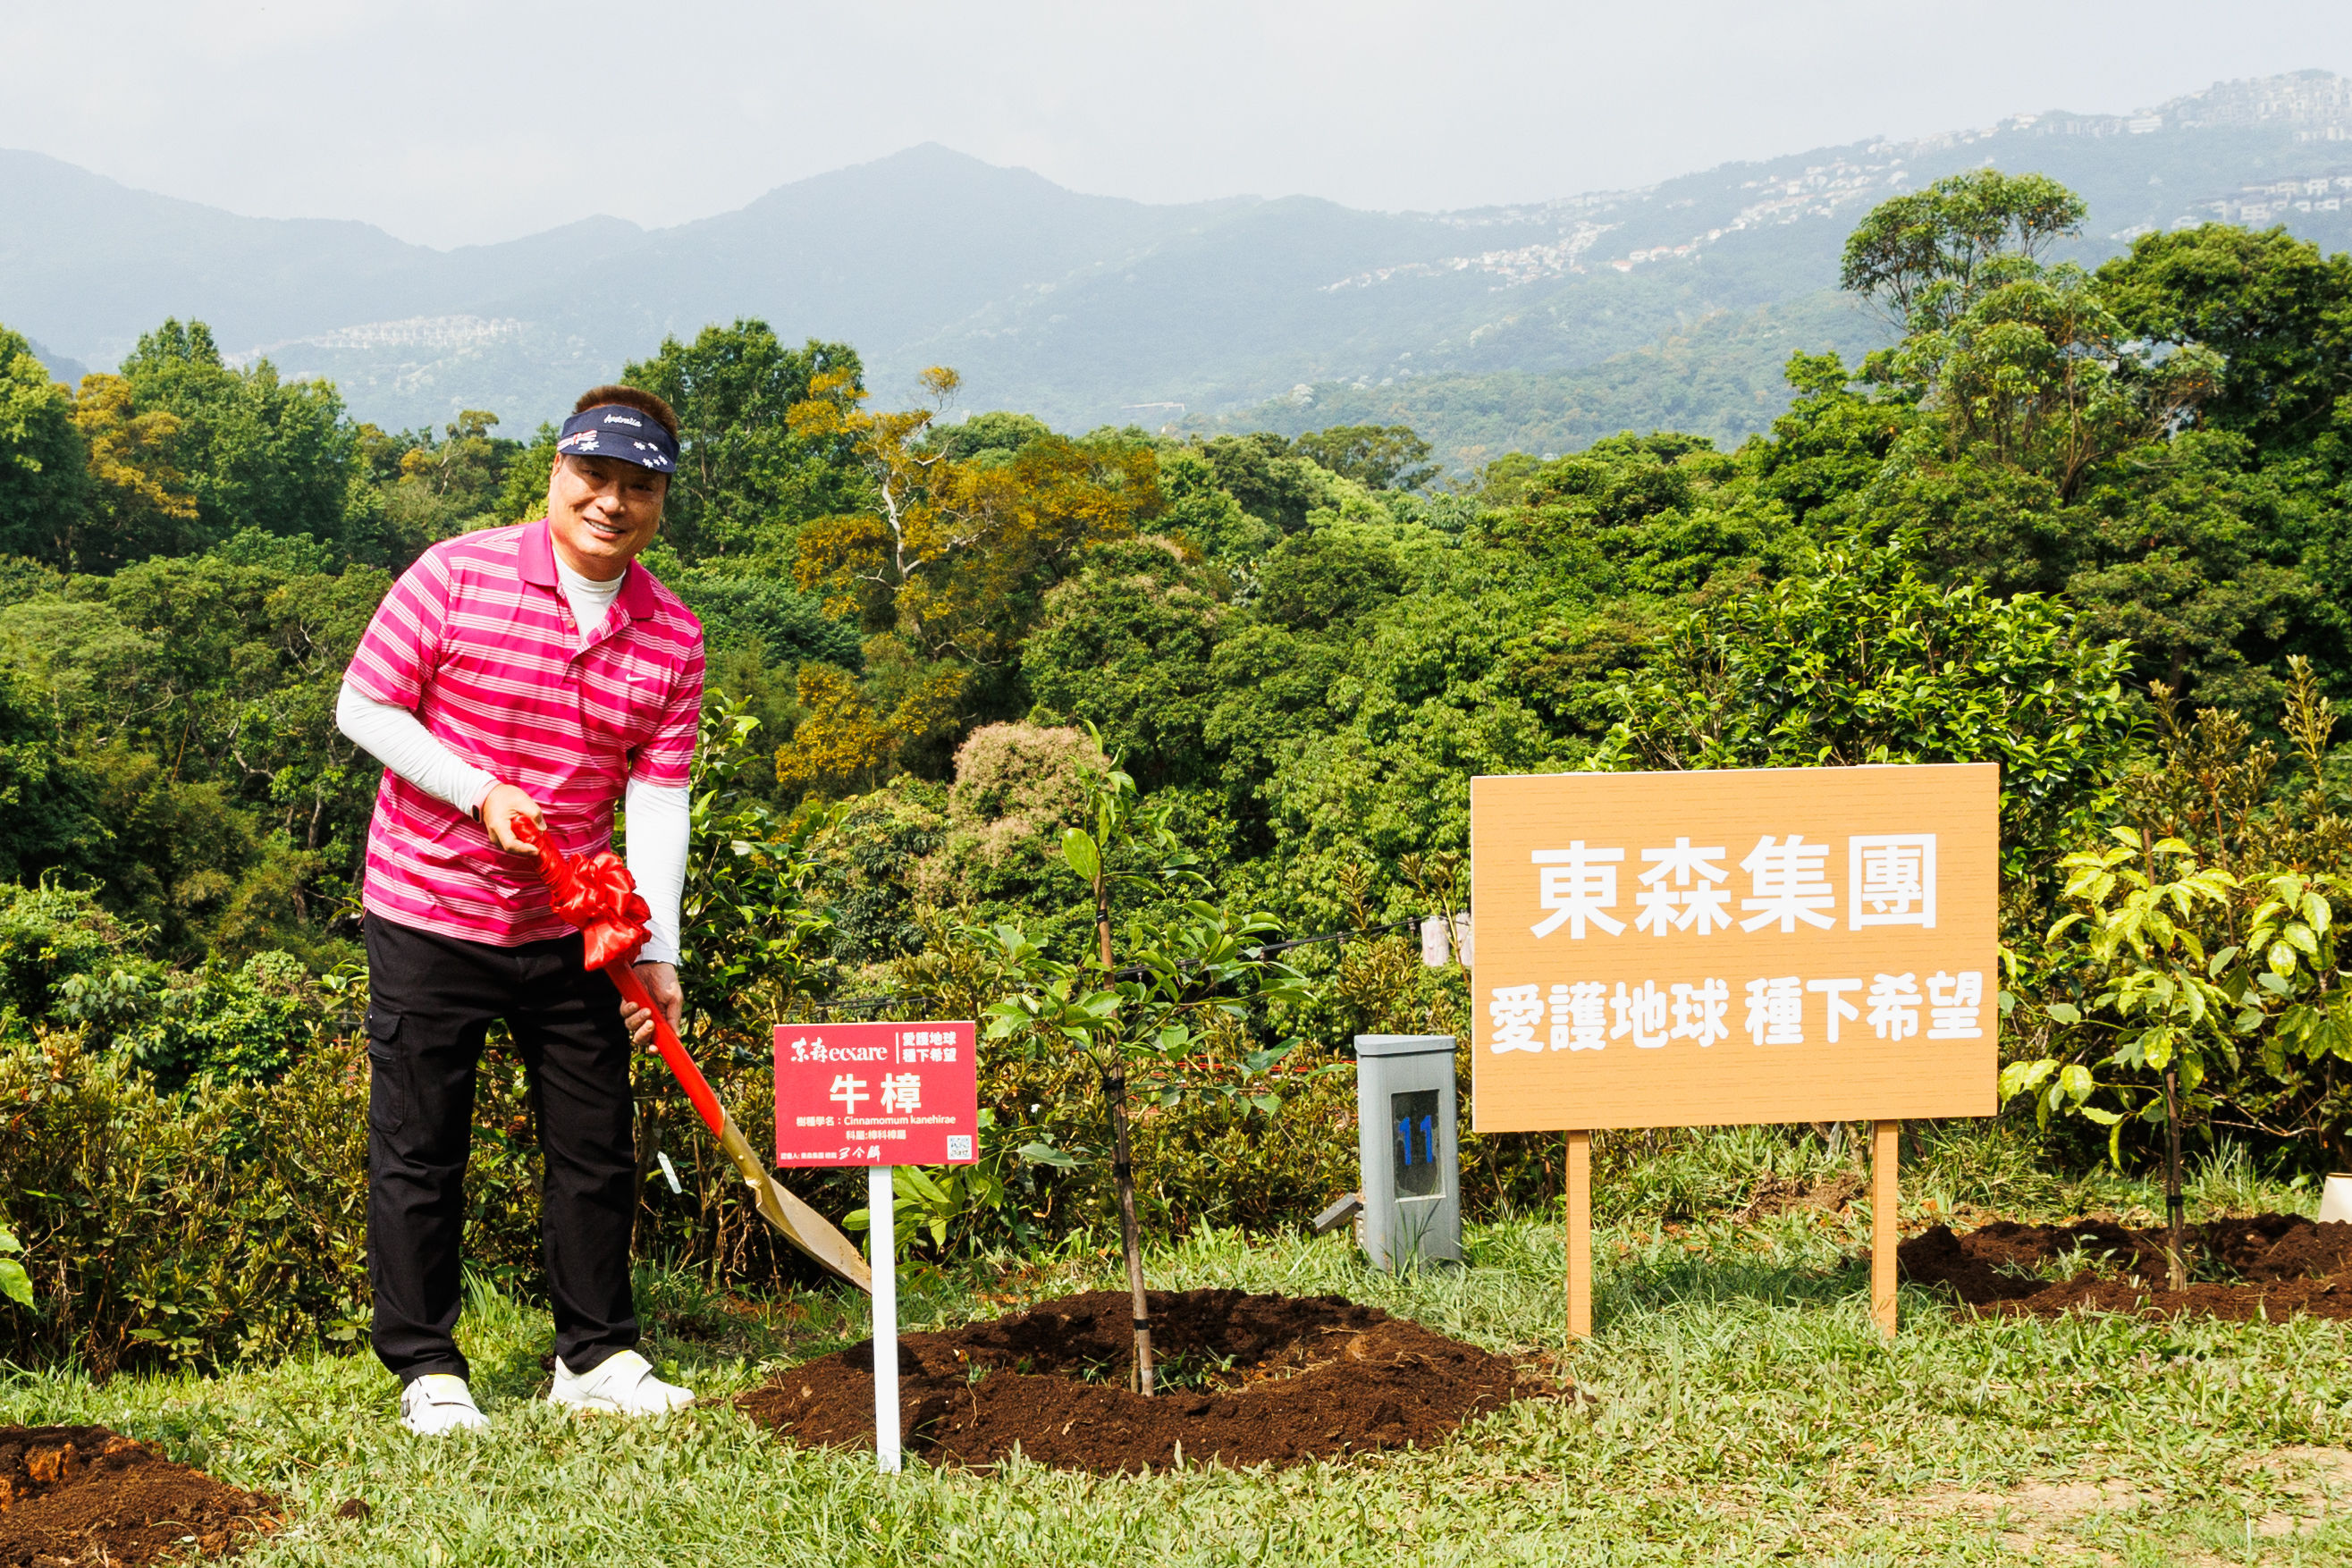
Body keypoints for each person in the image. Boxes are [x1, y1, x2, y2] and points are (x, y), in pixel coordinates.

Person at [337, 386, 705, 1435]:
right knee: (420, 1144)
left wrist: (660, 948)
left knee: (598, 1143)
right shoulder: (453, 573)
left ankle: (595, 1354)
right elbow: (363, 703)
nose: (611, 503)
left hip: (574, 926)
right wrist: (476, 788)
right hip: (429, 904)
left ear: (661, 502)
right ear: (556, 469)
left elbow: (657, 793)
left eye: (639, 487)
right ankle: (428, 1368)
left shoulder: (671, 633)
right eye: (595, 477)